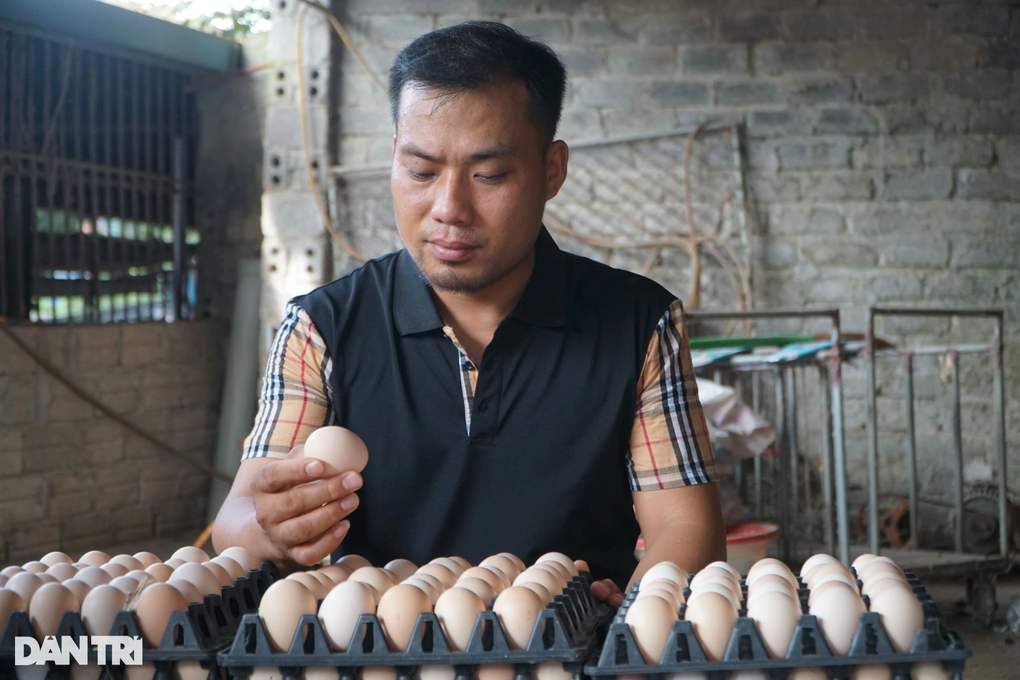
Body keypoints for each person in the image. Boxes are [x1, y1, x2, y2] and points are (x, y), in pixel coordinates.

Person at [212, 21, 724, 607]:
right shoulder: (324, 326)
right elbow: (237, 525)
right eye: (421, 171)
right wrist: (271, 527)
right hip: (375, 655)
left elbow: (687, 528)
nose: (449, 209)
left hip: (572, 652)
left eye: (489, 175)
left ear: (551, 170)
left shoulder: (637, 324)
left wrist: (639, 618)